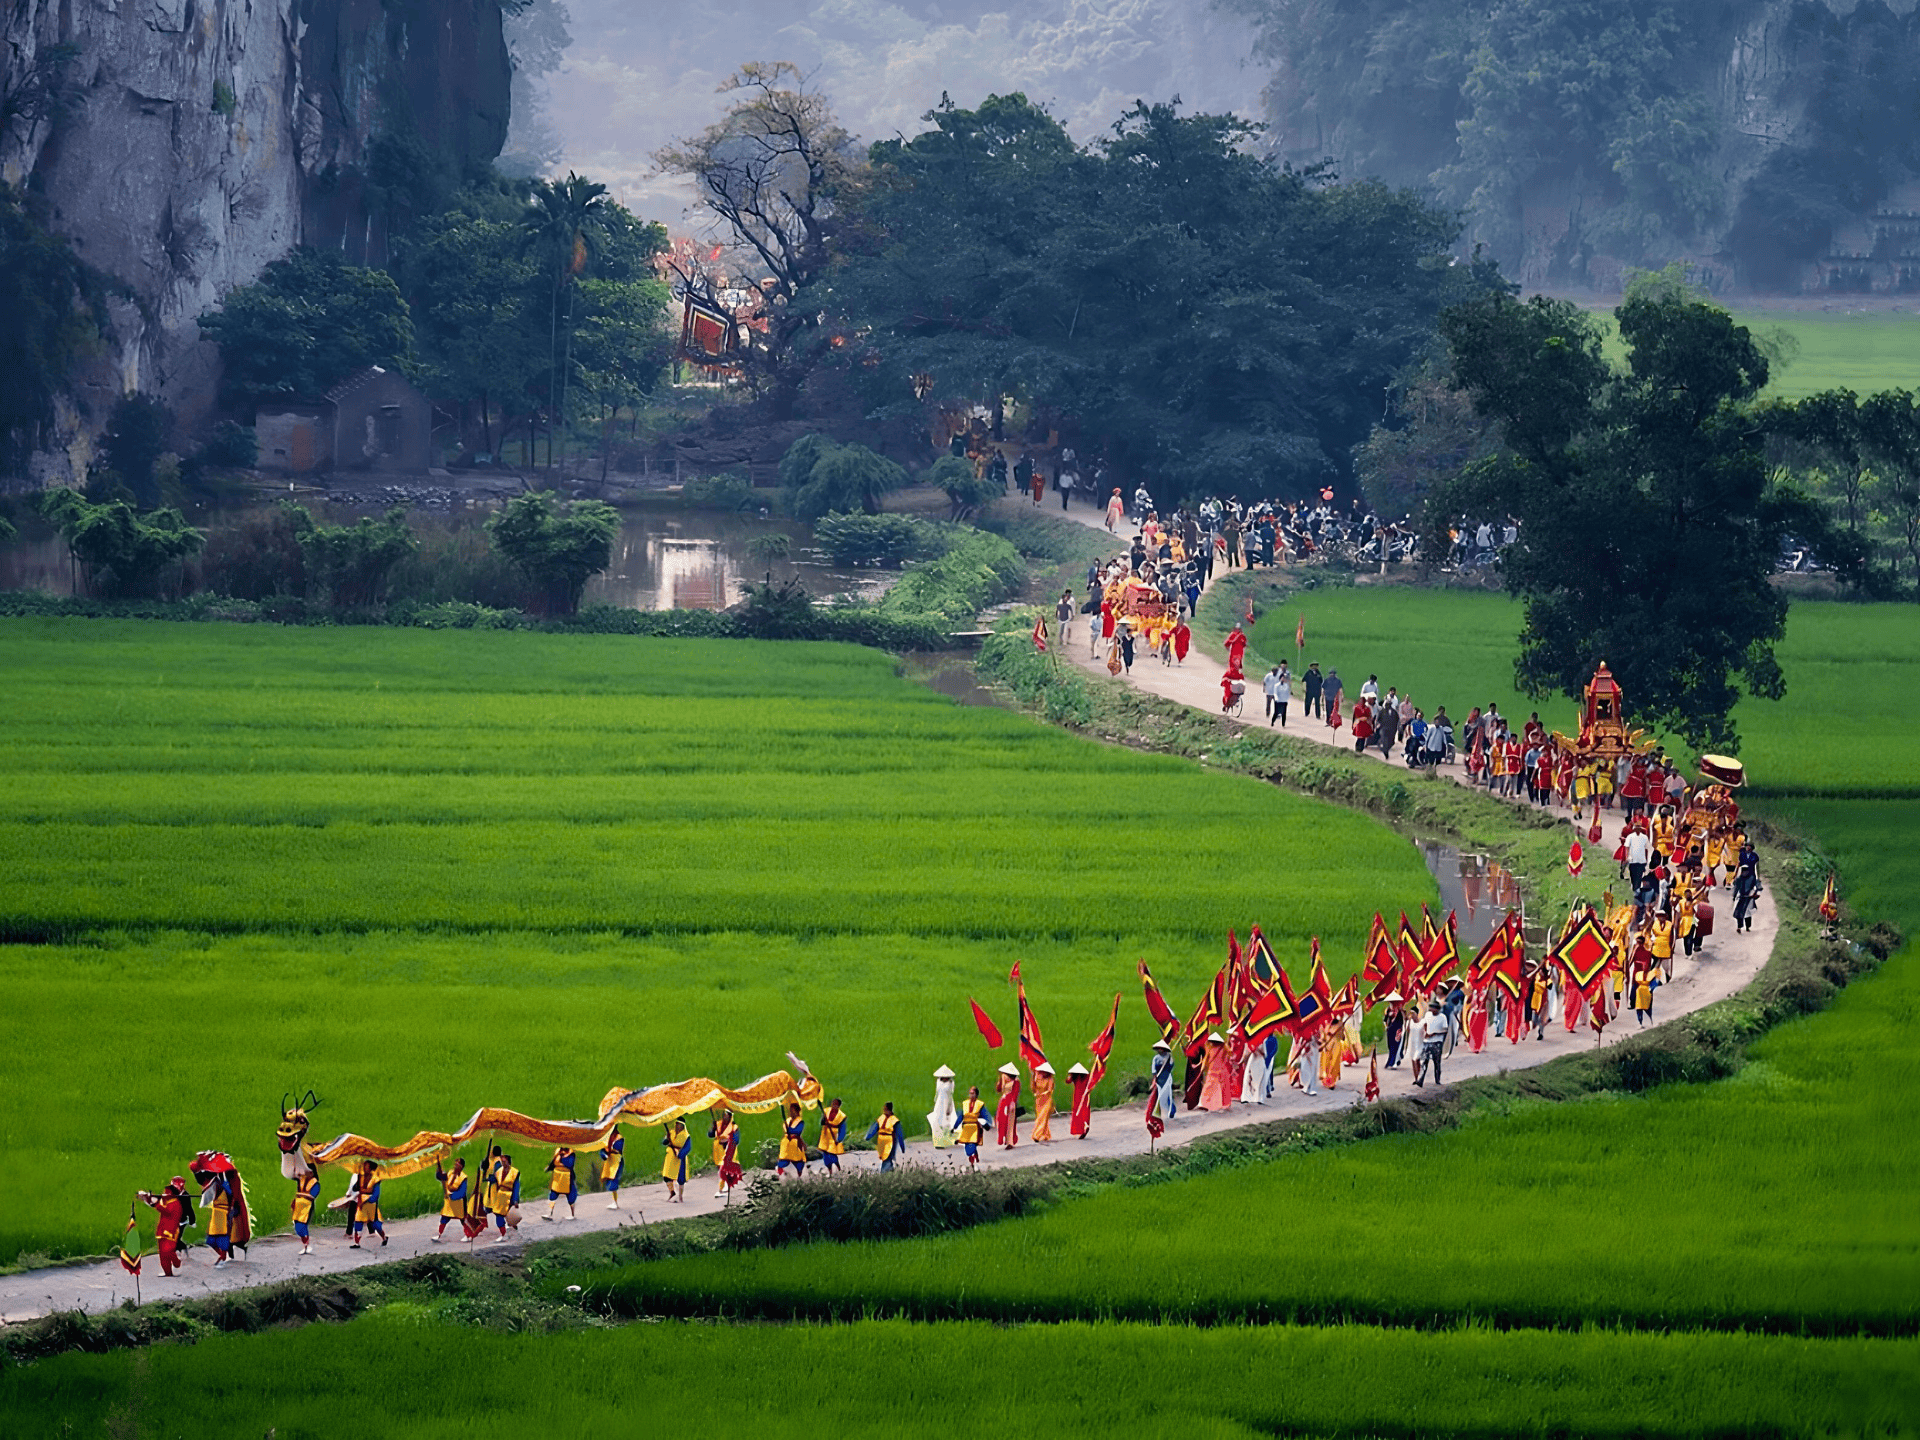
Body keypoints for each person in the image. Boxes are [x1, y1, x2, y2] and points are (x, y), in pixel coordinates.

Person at [138, 1177, 195, 1276]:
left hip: (175, 1226)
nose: (165, 1193)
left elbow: (167, 1210)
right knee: (163, 1252)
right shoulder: (167, 1200)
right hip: (163, 1229)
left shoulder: (178, 1202)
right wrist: (146, 1197)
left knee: (169, 1249)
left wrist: (192, 1220)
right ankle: (168, 1272)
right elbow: (156, 1201)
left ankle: (177, 1261)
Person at [348, 1160, 385, 1248]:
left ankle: (384, 1238)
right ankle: (357, 1243)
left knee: (375, 1224)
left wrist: (366, 1201)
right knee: (358, 1222)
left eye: (366, 1166)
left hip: (371, 1205)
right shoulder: (361, 1177)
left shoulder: (375, 1179)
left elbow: (376, 1195)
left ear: (371, 1168)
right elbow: (355, 1188)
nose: (364, 1168)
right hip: (361, 1204)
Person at [1412, 1001, 1450, 1087]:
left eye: (1432, 1008)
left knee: (1437, 1063)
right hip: (1427, 1042)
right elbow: (1425, 1023)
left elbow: (1445, 1030)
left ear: (1437, 1009)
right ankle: (1420, 1081)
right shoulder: (1428, 1015)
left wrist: (1433, 1033)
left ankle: (1437, 1080)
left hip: (1437, 1043)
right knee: (1424, 1062)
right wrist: (1425, 1031)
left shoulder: (1442, 1017)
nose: (1430, 1010)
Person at [486, 1149, 520, 1242]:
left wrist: (516, 1199)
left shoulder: (514, 1172)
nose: (503, 1163)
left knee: (510, 1215)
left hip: (510, 1195)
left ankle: (513, 1229)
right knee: (498, 1214)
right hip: (501, 1195)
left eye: (504, 1162)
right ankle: (503, 1233)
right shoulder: (499, 1171)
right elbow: (494, 1180)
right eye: (502, 1162)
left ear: (509, 1162)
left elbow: (516, 1186)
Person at [708, 1108, 742, 1198]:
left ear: (730, 1117)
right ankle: (725, 1185)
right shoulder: (718, 1123)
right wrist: (712, 1128)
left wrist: (726, 1141)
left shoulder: (734, 1127)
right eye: (724, 1114)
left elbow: (736, 1140)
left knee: (724, 1168)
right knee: (721, 1167)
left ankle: (722, 1188)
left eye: (727, 1115)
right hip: (718, 1150)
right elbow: (710, 1134)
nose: (725, 1116)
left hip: (728, 1149)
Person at [433, 1158, 469, 1240]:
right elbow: (442, 1177)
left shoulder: (463, 1177)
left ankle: (467, 1235)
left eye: (458, 1164)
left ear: (461, 1166)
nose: (455, 1166)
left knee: (463, 1219)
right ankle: (439, 1234)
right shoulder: (450, 1173)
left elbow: (462, 1191)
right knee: (444, 1218)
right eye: (455, 1164)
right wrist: (439, 1171)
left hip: (459, 1201)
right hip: (449, 1201)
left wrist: (453, 1196)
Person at [957, 1084, 990, 1170]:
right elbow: (961, 1116)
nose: (971, 1095)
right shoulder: (965, 1104)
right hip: (966, 1128)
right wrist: (954, 1127)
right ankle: (974, 1158)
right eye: (970, 1093)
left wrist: (987, 1124)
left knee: (972, 1145)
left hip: (975, 1127)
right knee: (967, 1146)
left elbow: (985, 1116)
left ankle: (973, 1163)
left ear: (976, 1094)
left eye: (973, 1093)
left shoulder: (980, 1105)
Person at [290, 1164, 321, 1255]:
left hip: (307, 1207)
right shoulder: (301, 1179)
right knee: (297, 1225)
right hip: (298, 1205)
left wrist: (301, 1195)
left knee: (302, 1225)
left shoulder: (315, 1183)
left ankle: (306, 1244)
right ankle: (306, 1243)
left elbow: (312, 1196)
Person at [661, 1117, 693, 1201]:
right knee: (667, 1176)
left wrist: (680, 1154)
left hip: (680, 1159)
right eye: (676, 1124)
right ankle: (672, 1192)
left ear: (682, 1126)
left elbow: (688, 1147)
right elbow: (664, 1142)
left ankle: (680, 1196)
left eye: (679, 1124)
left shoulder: (686, 1136)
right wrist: (667, 1138)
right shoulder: (671, 1132)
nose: (677, 1126)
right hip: (671, 1157)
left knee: (681, 1178)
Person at [543, 1146, 578, 1221]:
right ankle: (549, 1213)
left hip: (567, 1177)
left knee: (571, 1195)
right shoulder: (558, 1151)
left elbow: (569, 1164)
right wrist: (550, 1167)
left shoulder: (571, 1154)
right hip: (557, 1176)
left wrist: (560, 1159)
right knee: (553, 1194)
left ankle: (572, 1214)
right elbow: (554, 1162)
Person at [867, 1103, 905, 1171]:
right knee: (884, 1158)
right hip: (881, 1141)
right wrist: (867, 1138)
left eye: (885, 1108)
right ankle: (889, 1171)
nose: (884, 1110)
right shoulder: (881, 1118)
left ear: (888, 1109)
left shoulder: (894, 1120)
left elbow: (899, 1134)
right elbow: (874, 1129)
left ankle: (885, 1173)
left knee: (887, 1158)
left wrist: (902, 1146)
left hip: (890, 1140)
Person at [928, 1064, 958, 1148]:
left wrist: (949, 1108)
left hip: (946, 1102)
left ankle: (944, 1141)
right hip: (939, 1103)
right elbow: (937, 1093)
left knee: (945, 1122)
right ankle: (938, 1142)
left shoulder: (950, 1083)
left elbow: (950, 1095)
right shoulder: (938, 1082)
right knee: (937, 1122)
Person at [776, 1102, 808, 1178]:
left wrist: (789, 1129)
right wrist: (787, 1130)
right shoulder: (788, 1120)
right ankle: (781, 1175)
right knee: (782, 1160)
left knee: (798, 1161)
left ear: (797, 1111)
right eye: (790, 1110)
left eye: (793, 1110)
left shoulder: (800, 1122)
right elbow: (786, 1130)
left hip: (795, 1143)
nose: (791, 1112)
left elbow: (797, 1131)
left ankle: (800, 1176)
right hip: (786, 1143)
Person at [818, 1096, 849, 1173]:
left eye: (836, 1104)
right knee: (825, 1153)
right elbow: (822, 1123)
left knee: (832, 1153)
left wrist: (839, 1139)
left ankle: (838, 1167)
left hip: (834, 1135)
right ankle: (830, 1170)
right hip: (825, 1134)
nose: (834, 1105)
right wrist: (824, 1121)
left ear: (839, 1106)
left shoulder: (841, 1116)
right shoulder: (826, 1111)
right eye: (833, 1103)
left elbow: (843, 1129)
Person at [994, 1062, 1021, 1148]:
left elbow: (1015, 1093)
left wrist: (1013, 1103)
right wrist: (1000, 1082)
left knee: (1010, 1121)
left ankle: (1010, 1141)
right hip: (1003, 1100)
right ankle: (1002, 1138)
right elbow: (999, 1089)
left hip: (1010, 1101)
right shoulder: (1003, 1078)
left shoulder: (1016, 1081)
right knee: (1000, 1119)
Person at [1150, 1039, 1176, 1121]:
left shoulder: (1169, 1057)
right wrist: (1154, 1079)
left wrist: (1168, 1062)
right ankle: (1161, 1111)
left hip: (1166, 1078)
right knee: (1161, 1096)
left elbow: (1171, 1066)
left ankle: (1171, 1110)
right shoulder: (1156, 1058)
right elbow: (1154, 1070)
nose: (1159, 1050)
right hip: (1160, 1078)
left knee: (1167, 1095)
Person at [600, 1129, 626, 1210]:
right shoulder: (607, 1138)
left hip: (616, 1160)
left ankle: (615, 1202)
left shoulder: (619, 1138)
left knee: (613, 1179)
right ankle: (614, 1201)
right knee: (609, 1178)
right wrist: (604, 1154)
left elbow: (618, 1149)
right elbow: (602, 1150)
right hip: (610, 1161)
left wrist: (609, 1150)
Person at [1067, 1062, 1095, 1138]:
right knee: (1084, 1110)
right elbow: (1091, 1085)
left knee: (1077, 1112)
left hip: (1077, 1096)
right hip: (1084, 1096)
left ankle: (1081, 1129)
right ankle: (1085, 1125)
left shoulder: (1075, 1076)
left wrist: (1070, 1075)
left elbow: (1067, 1081)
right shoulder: (1086, 1076)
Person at [1031, 1061, 1057, 1142]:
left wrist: (1042, 1093)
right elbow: (1033, 1087)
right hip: (1039, 1100)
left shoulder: (1050, 1078)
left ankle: (1037, 1135)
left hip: (1047, 1099)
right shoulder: (1037, 1076)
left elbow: (1049, 1090)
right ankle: (1045, 1135)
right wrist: (1036, 1092)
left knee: (1043, 1117)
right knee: (1040, 1117)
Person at [1382, 995, 1407, 1068]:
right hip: (1390, 1030)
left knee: (1396, 1046)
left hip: (1397, 1030)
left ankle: (1394, 1062)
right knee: (1390, 1046)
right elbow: (1385, 1019)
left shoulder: (1400, 1011)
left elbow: (1404, 1020)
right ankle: (1391, 1061)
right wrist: (1386, 1026)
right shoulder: (1388, 1010)